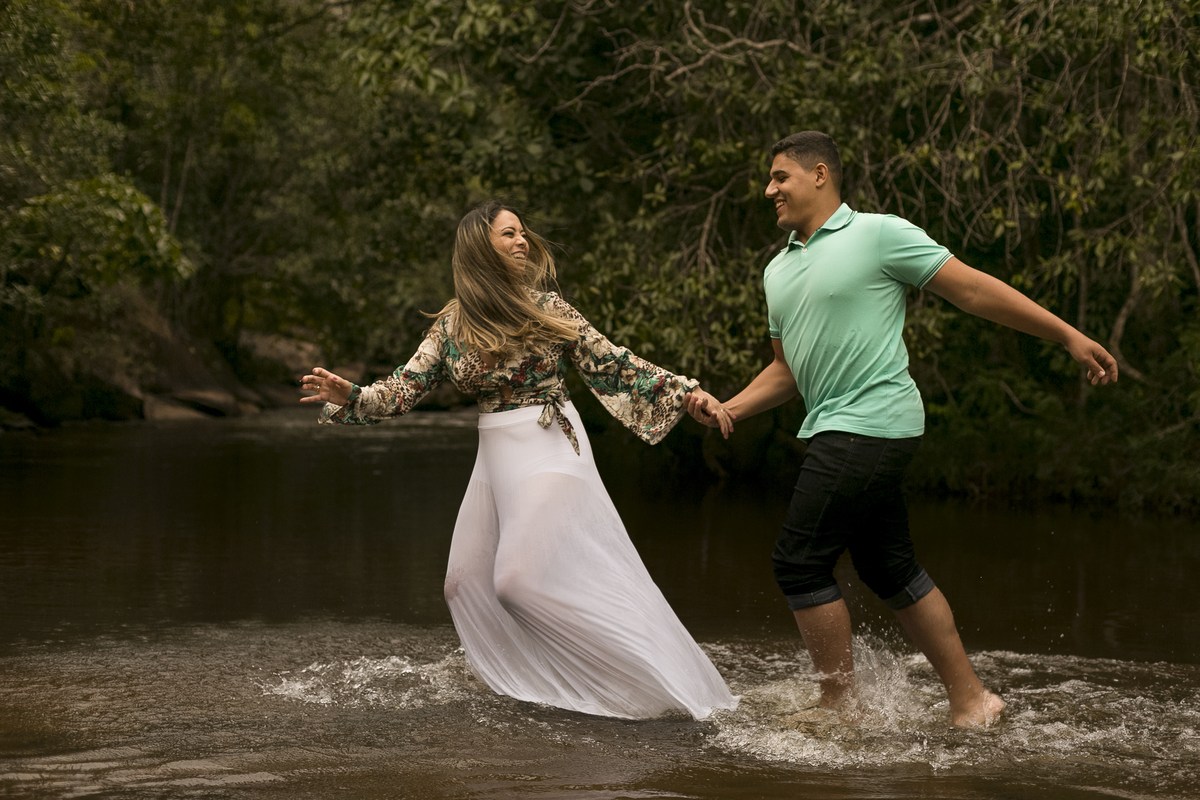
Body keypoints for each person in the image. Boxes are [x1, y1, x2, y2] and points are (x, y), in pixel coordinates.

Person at [687, 131, 1118, 727]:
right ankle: (972, 700)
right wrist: (732, 406)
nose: (769, 190)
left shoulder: (879, 233)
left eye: (779, 177)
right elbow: (787, 369)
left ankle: (840, 709)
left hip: (873, 421)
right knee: (888, 567)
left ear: (820, 174)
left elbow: (969, 288)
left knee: (798, 561)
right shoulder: (777, 270)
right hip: (839, 426)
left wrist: (1066, 334)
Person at [300, 200, 738, 721]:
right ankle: (533, 683)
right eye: (508, 234)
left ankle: (644, 683)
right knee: (463, 586)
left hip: (552, 442)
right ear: (480, 249)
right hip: (495, 454)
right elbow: (401, 391)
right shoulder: (451, 325)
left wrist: (688, 393)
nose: (522, 241)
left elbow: (614, 363)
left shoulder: (548, 307)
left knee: (515, 582)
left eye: (522, 233)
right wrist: (349, 394)